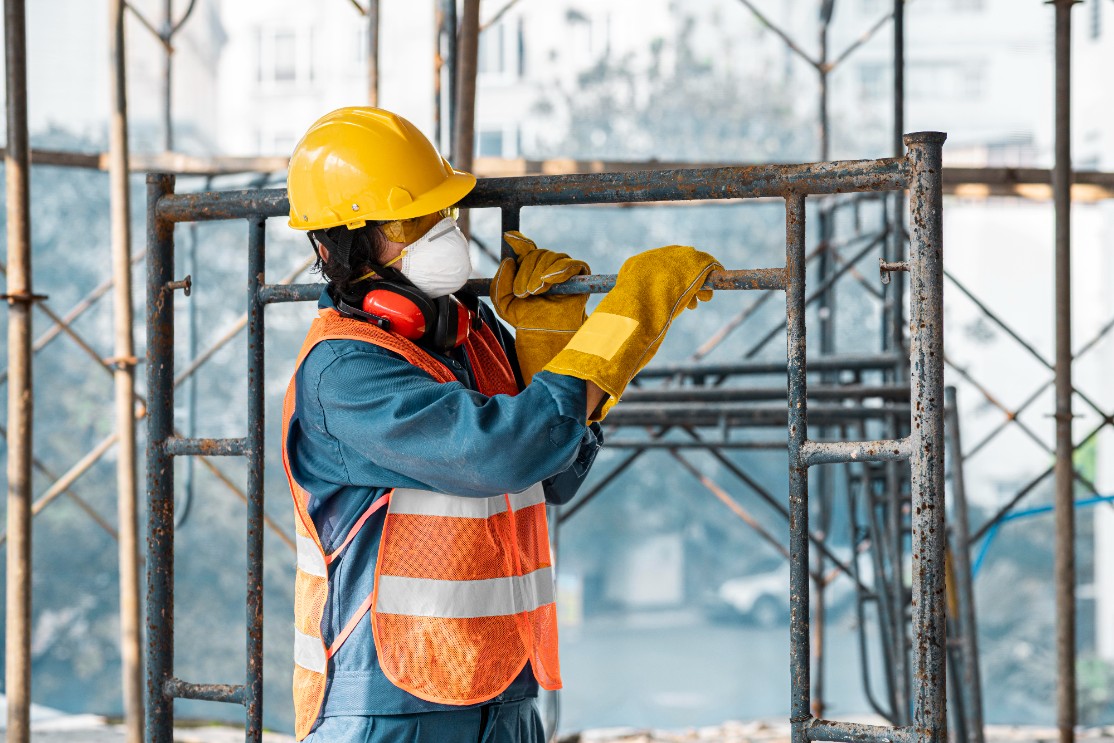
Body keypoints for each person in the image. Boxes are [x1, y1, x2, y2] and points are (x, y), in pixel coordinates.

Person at [282, 106, 720, 743]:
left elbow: (553, 475)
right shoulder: (344, 371)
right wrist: (626, 323)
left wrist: (546, 346)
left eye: (443, 214)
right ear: (339, 248)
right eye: (410, 222)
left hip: (505, 689)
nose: (441, 234)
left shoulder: (470, 332)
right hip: (386, 702)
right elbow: (502, 453)